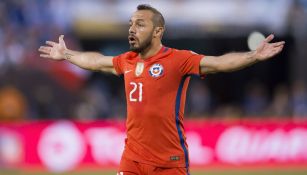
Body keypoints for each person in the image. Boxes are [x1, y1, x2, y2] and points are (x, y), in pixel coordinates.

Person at [38, 4, 285, 175]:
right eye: (131, 24)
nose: (132, 29)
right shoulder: (128, 60)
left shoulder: (179, 59)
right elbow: (97, 60)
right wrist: (67, 54)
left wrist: (254, 55)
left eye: (140, 24)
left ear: (158, 31)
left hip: (170, 162)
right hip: (132, 159)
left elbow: (219, 63)